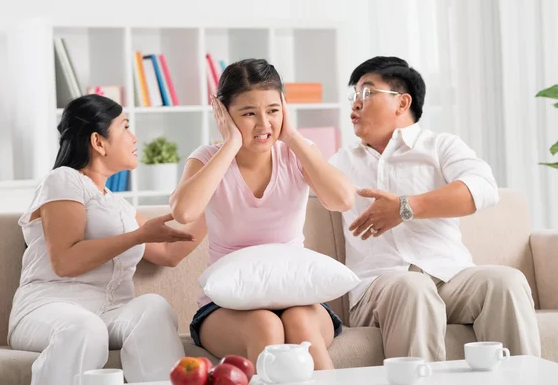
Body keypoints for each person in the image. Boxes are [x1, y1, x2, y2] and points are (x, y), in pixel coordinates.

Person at [329, 56, 541, 361]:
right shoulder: (341, 162)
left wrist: (405, 207)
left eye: (367, 92)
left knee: (506, 281)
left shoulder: (441, 147)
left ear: (402, 103)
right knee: (413, 288)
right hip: (381, 286)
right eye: (354, 96)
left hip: (451, 278)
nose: (355, 105)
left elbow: (482, 187)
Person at [168, 58, 355, 369]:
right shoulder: (206, 159)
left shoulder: (296, 153)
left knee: (301, 324)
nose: (264, 124)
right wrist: (230, 144)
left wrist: (293, 137)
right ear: (223, 113)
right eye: (248, 113)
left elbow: (343, 199)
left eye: (272, 110)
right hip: (225, 307)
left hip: (298, 297)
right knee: (265, 325)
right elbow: (184, 211)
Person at [8, 94, 197, 385]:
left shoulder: (120, 207)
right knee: (86, 328)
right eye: (125, 127)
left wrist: (223, 201)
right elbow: (65, 261)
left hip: (110, 313)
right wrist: (136, 237)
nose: (135, 138)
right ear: (98, 142)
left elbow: (169, 253)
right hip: (50, 309)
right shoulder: (63, 180)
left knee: (154, 308)